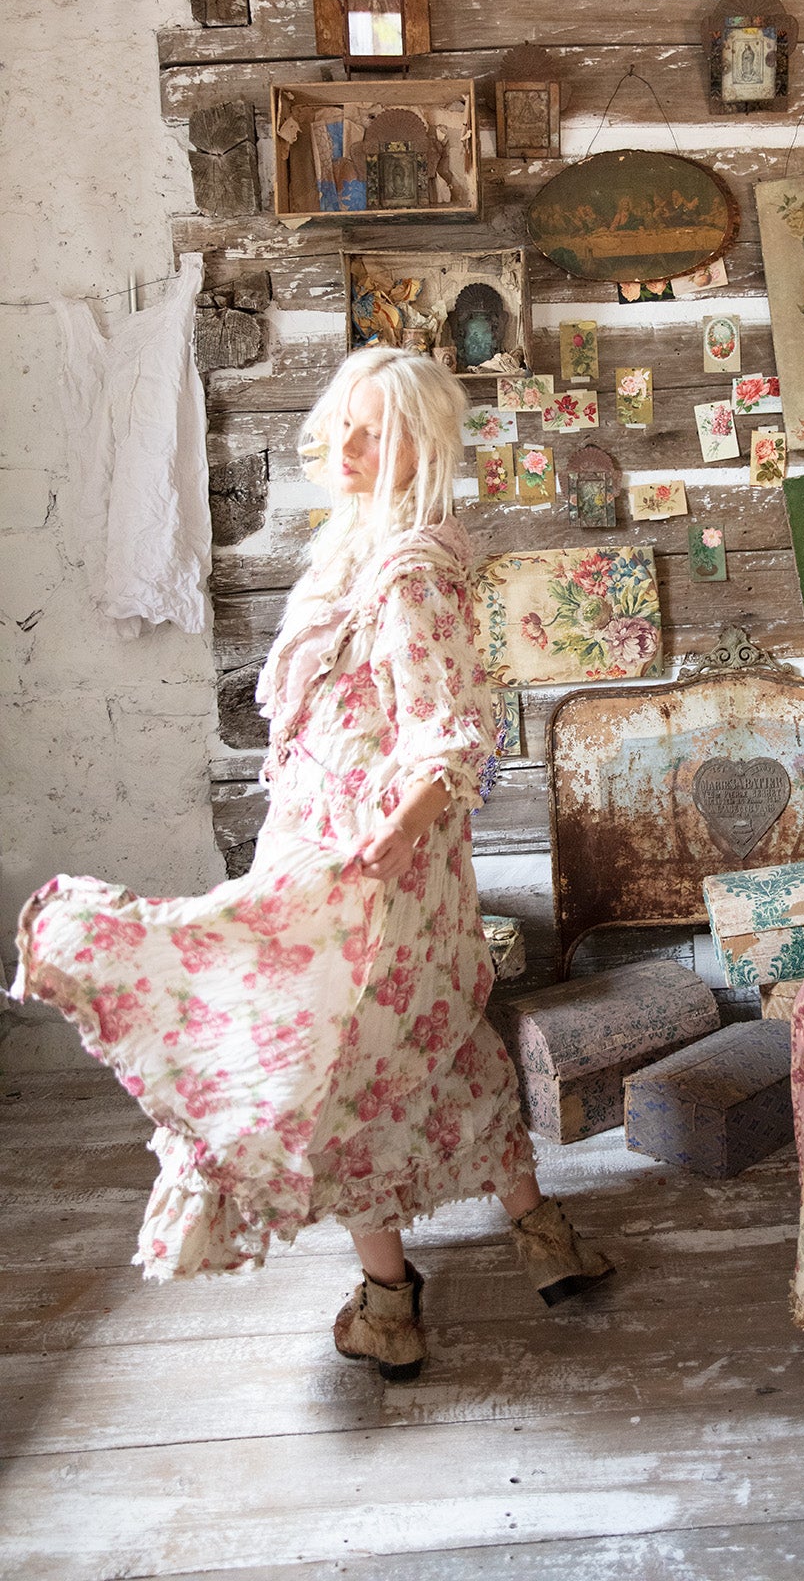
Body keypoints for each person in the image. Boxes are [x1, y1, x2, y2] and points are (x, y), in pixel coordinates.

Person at [13, 347, 612, 1380]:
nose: (347, 445)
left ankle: (389, 1302)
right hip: (342, 846)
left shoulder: (408, 570)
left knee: (338, 1065)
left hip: (364, 866)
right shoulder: (354, 552)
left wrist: (393, 833)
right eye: (344, 423)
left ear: (421, 446)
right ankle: (544, 1242)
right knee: (427, 1043)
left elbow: (453, 731)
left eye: (374, 431)